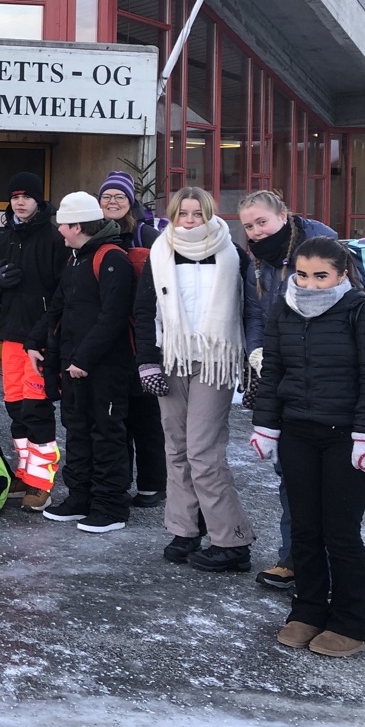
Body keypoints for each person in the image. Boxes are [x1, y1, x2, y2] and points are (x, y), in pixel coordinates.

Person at [250, 237, 365, 658]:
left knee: (341, 531)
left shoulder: (363, 311)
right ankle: (308, 610)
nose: (310, 285)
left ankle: (351, 624)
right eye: (303, 275)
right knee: (305, 529)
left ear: (341, 274)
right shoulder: (285, 309)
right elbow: (273, 370)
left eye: (321, 276)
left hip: (347, 437)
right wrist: (265, 426)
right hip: (298, 432)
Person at [134, 187, 255, 571]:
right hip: (170, 359)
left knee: (203, 452)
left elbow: (249, 310)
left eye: (197, 213)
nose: (189, 220)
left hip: (214, 361)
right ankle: (185, 529)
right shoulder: (160, 253)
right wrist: (147, 363)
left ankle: (231, 539)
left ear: (210, 214)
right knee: (176, 448)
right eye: (182, 213)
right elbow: (143, 310)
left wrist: (253, 362)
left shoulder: (233, 254)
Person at [238, 189, 336, 593]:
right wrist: (256, 350)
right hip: (284, 377)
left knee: (330, 480)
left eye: (262, 221)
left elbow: (347, 309)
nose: (256, 231)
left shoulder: (320, 248)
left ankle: (326, 563)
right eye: (248, 225)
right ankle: (293, 558)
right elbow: (256, 312)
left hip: (328, 376)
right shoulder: (258, 261)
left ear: (283, 214)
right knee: (291, 473)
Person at [27, 192, 135, 533]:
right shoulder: (75, 258)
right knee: (76, 430)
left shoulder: (111, 257)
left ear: (78, 226)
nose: (59, 231)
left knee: (105, 433)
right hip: (74, 363)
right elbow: (58, 306)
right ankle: (80, 497)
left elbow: (113, 317)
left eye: (63, 226)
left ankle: (110, 506)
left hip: (104, 367)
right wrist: (36, 341)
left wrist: (84, 359)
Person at [0, 172, 67, 510]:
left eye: (26, 196)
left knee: (37, 409)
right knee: (15, 408)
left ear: (38, 200)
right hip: (11, 334)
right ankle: (24, 471)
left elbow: (62, 291)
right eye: (15, 196)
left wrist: (48, 334)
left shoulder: (53, 237)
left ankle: (41, 482)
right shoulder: (5, 235)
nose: (20, 202)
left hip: (40, 339)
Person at [98, 170, 167, 510]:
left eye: (118, 197)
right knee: (115, 415)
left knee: (145, 414)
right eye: (107, 197)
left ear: (130, 202)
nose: (112, 202)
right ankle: (119, 479)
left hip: (142, 334)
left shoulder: (147, 235)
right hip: (110, 336)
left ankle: (153, 483)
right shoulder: (95, 234)